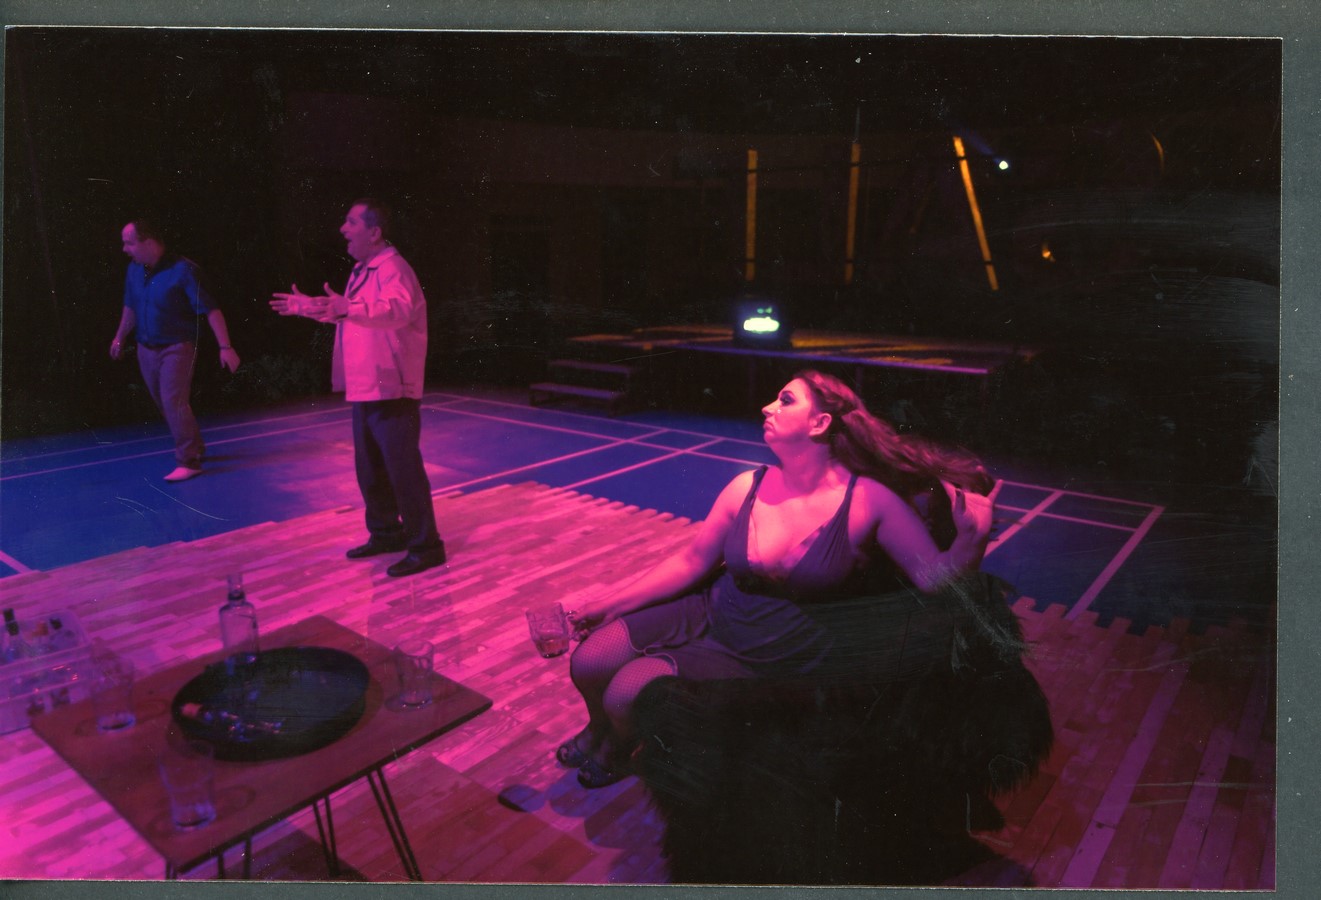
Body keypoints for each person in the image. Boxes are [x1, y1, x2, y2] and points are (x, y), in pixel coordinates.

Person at [558, 369, 1001, 788]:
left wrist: (971, 541)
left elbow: (933, 580)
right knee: (590, 660)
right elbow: (692, 561)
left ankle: (617, 746)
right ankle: (599, 729)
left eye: (785, 400)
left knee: (625, 693)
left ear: (820, 423)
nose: (767, 407)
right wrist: (608, 603)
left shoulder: (869, 501)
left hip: (774, 647)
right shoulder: (747, 485)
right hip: (714, 610)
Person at [270, 198, 446, 578]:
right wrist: (308, 306)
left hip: (392, 386)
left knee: (403, 470)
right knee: (371, 469)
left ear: (374, 232)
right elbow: (350, 313)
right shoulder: (362, 270)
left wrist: (347, 308)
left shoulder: (394, 268)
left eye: (351, 222)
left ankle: (426, 546)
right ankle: (386, 533)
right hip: (368, 385)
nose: (343, 230)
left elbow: (396, 310)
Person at [109, 218, 241, 482]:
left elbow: (211, 309)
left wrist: (225, 346)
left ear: (148, 242)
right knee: (165, 403)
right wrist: (119, 337)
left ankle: (189, 460)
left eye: (129, 243)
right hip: (146, 348)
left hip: (177, 347)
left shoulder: (184, 270)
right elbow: (130, 306)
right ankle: (195, 446)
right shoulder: (134, 270)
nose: (124, 249)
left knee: (173, 401)